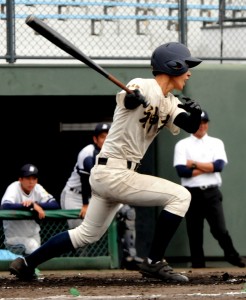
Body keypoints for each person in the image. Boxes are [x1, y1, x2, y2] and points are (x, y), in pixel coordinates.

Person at [9, 41, 203, 282]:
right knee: (181, 196)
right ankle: (153, 262)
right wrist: (136, 99)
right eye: (186, 66)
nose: (189, 72)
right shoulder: (141, 85)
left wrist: (196, 114)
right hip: (116, 172)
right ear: (172, 66)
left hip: (109, 175)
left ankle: (26, 263)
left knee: (85, 235)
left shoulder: (170, 101)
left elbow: (190, 125)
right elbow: (127, 100)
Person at [60, 123, 143, 270]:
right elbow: (85, 180)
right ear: (95, 139)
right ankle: (81, 266)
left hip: (100, 194)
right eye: (102, 136)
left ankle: (129, 256)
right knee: (80, 234)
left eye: (108, 136)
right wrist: (85, 205)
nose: (106, 139)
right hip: (76, 196)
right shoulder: (87, 152)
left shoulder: (118, 153)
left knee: (127, 212)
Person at [173, 110, 246, 268]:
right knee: (194, 231)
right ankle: (198, 264)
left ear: (208, 124)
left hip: (211, 192)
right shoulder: (182, 144)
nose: (202, 126)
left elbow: (218, 166)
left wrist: (193, 163)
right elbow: (181, 171)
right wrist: (208, 167)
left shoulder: (216, 143)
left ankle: (232, 256)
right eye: (198, 123)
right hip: (191, 193)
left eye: (204, 122)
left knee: (219, 229)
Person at [1, 163, 60, 256]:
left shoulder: (38, 188)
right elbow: (5, 206)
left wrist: (34, 204)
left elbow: (55, 205)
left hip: (34, 236)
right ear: (20, 179)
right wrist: (29, 206)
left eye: (34, 178)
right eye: (28, 178)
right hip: (14, 239)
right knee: (32, 248)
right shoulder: (13, 187)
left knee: (35, 253)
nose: (31, 182)